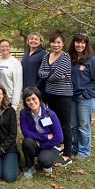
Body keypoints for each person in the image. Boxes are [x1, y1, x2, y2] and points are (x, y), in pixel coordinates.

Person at [38, 31, 73, 166]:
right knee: (52, 122)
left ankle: (67, 155)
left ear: (63, 44)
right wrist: (52, 75)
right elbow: (41, 73)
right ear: (50, 43)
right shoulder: (47, 56)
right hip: (49, 94)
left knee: (65, 125)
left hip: (63, 95)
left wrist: (51, 75)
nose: (56, 44)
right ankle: (58, 145)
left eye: (59, 42)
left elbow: (54, 76)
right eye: (53, 42)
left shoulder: (65, 57)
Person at [20, 87, 63, 178]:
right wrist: (45, 137)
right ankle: (30, 167)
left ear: (39, 98)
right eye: (28, 100)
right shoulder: (23, 113)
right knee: (27, 141)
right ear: (25, 102)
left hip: (51, 145)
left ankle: (47, 160)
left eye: (34, 98)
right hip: (36, 142)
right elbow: (26, 132)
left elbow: (59, 137)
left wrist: (42, 145)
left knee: (44, 161)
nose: (31, 102)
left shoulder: (50, 114)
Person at [68, 33, 95, 160]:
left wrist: (86, 94)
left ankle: (84, 151)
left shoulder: (92, 59)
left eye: (83, 42)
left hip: (85, 98)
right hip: (71, 97)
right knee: (73, 125)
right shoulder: (70, 58)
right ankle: (75, 147)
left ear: (86, 44)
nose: (80, 45)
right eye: (77, 42)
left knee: (84, 125)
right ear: (73, 43)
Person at [0, 39, 23, 110]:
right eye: (2, 46)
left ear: (10, 47)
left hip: (8, 97)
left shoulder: (15, 63)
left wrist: (14, 104)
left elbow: (18, 84)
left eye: (7, 46)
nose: (5, 48)